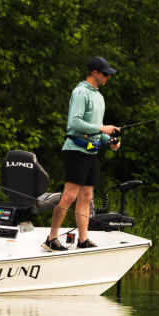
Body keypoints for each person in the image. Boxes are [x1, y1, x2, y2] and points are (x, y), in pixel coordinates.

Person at [45, 57, 122, 252]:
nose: (108, 77)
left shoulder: (99, 96)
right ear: (95, 73)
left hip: (91, 151)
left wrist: (109, 140)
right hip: (76, 151)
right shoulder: (80, 92)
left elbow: (97, 129)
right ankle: (51, 238)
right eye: (105, 74)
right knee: (70, 196)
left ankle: (83, 239)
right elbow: (74, 123)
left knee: (86, 196)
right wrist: (102, 128)